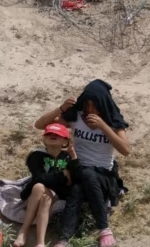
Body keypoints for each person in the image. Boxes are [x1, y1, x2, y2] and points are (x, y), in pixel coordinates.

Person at [34, 80, 131, 247]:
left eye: (95, 106)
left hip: (103, 175)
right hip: (78, 169)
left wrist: (103, 126)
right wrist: (62, 108)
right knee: (79, 185)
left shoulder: (113, 121)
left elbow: (126, 150)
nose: (90, 111)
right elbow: (40, 125)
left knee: (85, 177)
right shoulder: (77, 117)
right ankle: (63, 240)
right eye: (87, 105)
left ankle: (103, 228)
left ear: (103, 104)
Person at [13, 123, 79, 247]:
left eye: (57, 135)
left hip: (59, 193)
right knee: (40, 188)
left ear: (66, 140)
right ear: (43, 138)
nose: (52, 135)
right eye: (49, 134)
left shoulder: (68, 157)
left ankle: (24, 232)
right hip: (39, 192)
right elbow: (39, 177)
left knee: (40, 188)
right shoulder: (36, 155)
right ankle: (38, 241)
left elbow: (75, 179)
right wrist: (62, 175)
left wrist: (74, 156)